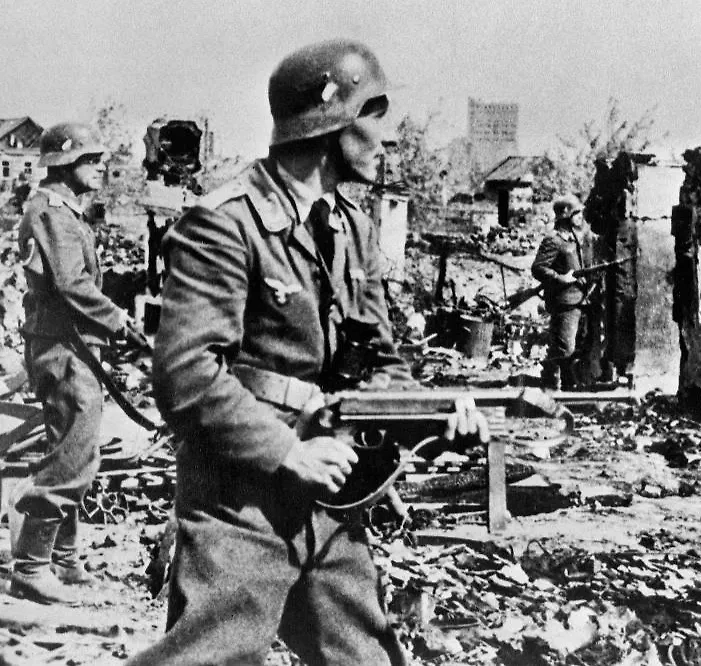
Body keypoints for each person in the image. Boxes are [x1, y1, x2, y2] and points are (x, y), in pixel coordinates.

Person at [127, 39, 488, 666]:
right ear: (330, 123)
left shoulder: (352, 228)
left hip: (332, 499)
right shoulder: (224, 224)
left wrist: (435, 417)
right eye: (374, 116)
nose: (387, 138)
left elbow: (379, 365)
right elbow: (186, 374)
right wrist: (288, 452)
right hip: (241, 502)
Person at [11, 122, 145, 604]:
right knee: (70, 453)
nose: (100, 168)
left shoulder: (64, 211)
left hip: (71, 345)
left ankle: (63, 561)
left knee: (77, 450)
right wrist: (119, 321)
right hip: (63, 348)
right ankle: (32, 567)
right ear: (65, 163)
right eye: (91, 160)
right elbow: (71, 285)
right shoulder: (52, 212)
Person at [531, 193, 599, 390]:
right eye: (576, 213)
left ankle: (569, 385)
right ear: (565, 215)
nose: (580, 217)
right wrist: (561, 278)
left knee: (580, 346)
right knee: (564, 348)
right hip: (565, 301)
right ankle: (552, 381)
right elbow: (538, 268)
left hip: (582, 299)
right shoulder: (553, 240)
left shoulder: (577, 237)